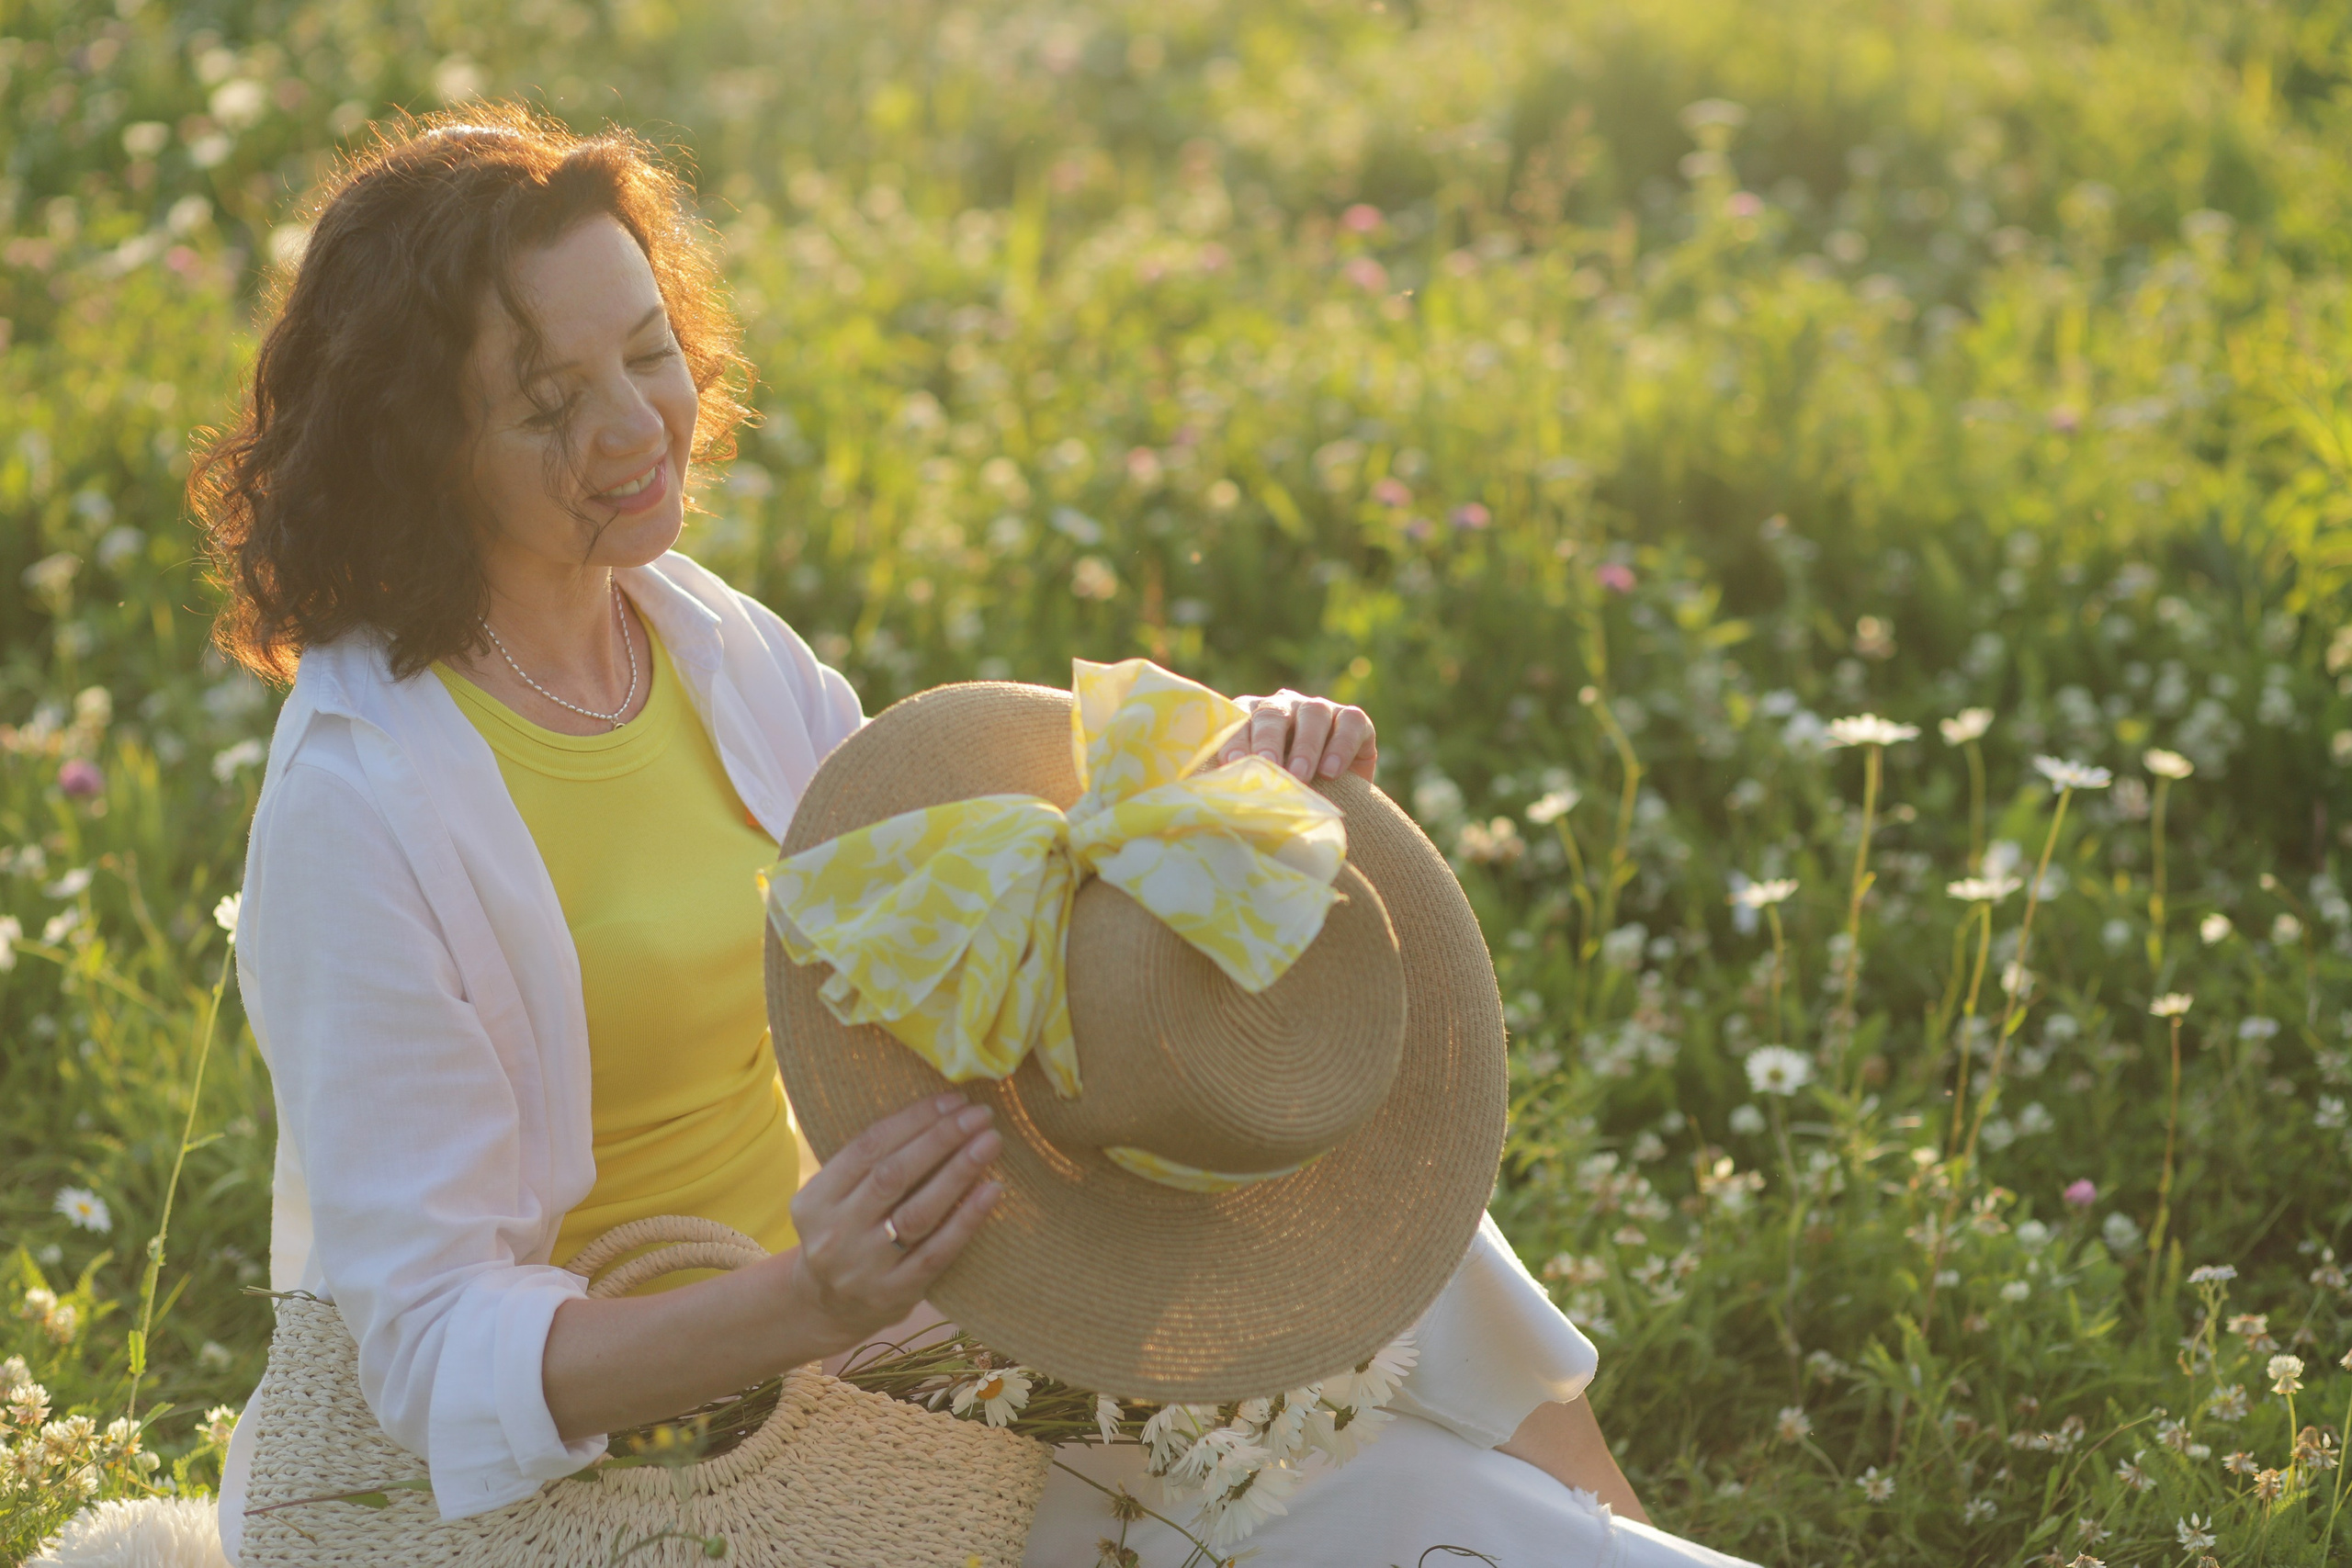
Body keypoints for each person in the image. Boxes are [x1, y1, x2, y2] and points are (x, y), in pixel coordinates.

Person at [195, 106, 1742, 1565]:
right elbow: (427, 1350)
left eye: (651, 353)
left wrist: (1224, 799)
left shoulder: (709, 647)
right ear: (413, 444)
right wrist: (807, 1300)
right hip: (666, 1429)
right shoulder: (364, 800)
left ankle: (1606, 1523)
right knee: (1363, 1522)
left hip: (881, 1292)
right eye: (544, 403)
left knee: (1385, 1235)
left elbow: (996, 913)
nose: (630, 429)